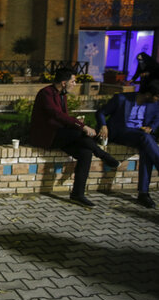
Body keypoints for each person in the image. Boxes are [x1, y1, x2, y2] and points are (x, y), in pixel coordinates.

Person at [29, 68, 119, 207]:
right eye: (73, 81)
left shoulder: (62, 94)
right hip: (48, 136)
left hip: (61, 135)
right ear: (64, 83)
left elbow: (63, 118)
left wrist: (77, 123)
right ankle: (102, 154)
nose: (75, 84)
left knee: (85, 153)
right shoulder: (46, 93)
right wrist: (81, 126)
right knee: (80, 133)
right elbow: (57, 115)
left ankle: (77, 194)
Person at [96, 80, 159, 209]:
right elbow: (101, 112)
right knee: (146, 139)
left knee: (146, 148)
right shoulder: (121, 99)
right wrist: (103, 125)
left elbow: (157, 118)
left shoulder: (154, 104)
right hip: (121, 133)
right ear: (148, 94)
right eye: (157, 96)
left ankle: (143, 194)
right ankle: (143, 193)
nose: (158, 99)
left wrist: (151, 127)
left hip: (140, 135)